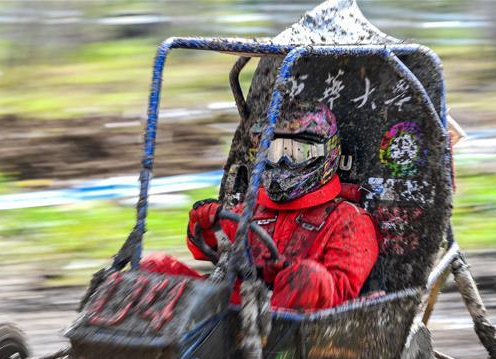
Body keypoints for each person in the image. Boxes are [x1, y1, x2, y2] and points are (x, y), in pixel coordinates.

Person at [142, 104, 379, 312]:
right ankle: (139, 350)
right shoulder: (254, 209)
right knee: (153, 266)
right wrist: (205, 223)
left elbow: (337, 294)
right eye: (275, 152)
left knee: (308, 277)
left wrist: (286, 272)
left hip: (293, 328)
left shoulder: (349, 219)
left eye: (297, 153)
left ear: (326, 153)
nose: (283, 162)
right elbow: (207, 249)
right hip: (235, 310)